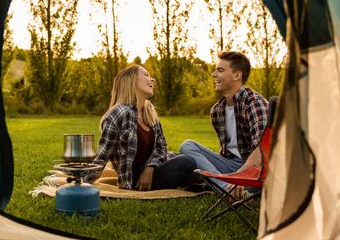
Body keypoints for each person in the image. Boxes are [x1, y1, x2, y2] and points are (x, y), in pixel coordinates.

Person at [85, 64, 197, 191]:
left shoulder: (149, 112)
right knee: (187, 162)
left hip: (156, 169)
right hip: (136, 181)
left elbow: (162, 146)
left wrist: (150, 168)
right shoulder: (118, 113)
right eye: (145, 75)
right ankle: (195, 183)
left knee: (192, 157)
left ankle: (205, 183)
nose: (152, 79)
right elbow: (102, 156)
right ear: (131, 81)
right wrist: (80, 183)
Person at [180, 51, 268, 192]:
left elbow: (263, 149)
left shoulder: (254, 103)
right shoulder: (217, 110)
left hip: (257, 168)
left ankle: (222, 186)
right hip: (232, 165)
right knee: (188, 146)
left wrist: (238, 177)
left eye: (220, 70)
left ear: (237, 75)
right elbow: (227, 153)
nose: (214, 75)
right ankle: (226, 188)